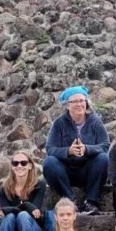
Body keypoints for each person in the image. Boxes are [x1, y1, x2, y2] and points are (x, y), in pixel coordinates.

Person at [43, 85, 109, 216]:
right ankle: (70, 200)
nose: (79, 104)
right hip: (65, 172)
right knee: (50, 162)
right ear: (67, 105)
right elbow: (50, 149)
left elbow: (105, 145)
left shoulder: (95, 122)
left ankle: (91, 201)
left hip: (88, 171)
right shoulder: (59, 123)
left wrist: (87, 149)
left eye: (82, 100)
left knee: (103, 158)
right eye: (75, 101)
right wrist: (69, 151)